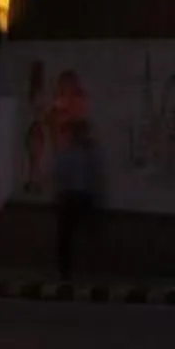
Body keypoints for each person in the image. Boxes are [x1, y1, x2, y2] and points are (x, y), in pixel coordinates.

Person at [52, 118, 103, 282]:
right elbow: (60, 174)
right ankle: (67, 271)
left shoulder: (86, 152)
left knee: (79, 235)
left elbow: (94, 175)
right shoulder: (71, 152)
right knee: (66, 237)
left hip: (81, 196)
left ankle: (83, 270)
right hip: (74, 196)